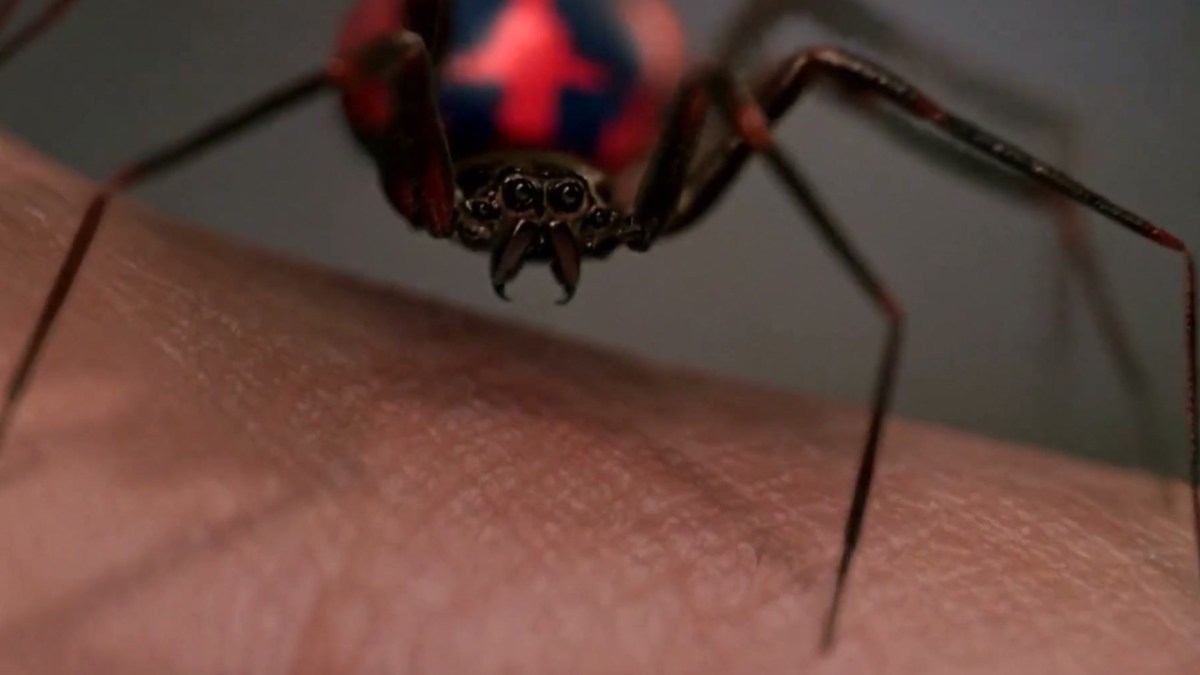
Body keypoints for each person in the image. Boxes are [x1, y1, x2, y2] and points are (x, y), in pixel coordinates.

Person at [0, 135, 1194, 673]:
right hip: (460, 142)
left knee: (796, 63)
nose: (539, 241)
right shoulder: (445, 152)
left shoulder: (630, 195)